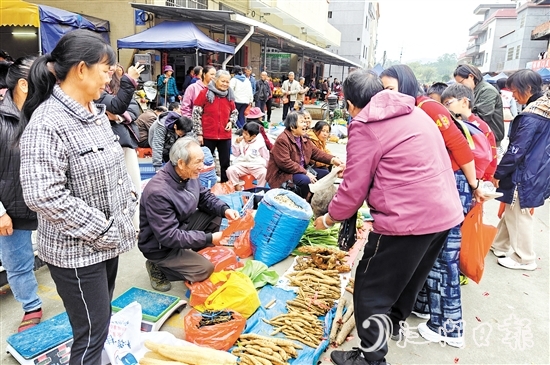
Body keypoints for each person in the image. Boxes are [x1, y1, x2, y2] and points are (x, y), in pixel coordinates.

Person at [314, 70, 463, 365]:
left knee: (370, 289)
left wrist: (329, 219)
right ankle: (390, 325)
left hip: (407, 218)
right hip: (444, 211)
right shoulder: (415, 112)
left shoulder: (365, 124)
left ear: (351, 104)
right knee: (409, 279)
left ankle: (372, 358)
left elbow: (353, 190)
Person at [18, 30, 137, 365]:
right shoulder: (47, 123)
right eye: (106, 70)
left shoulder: (95, 113)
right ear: (81, 69)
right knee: (92, 333)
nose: (110, 79)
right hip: (76, 254)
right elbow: (43, 195)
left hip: (107, 243)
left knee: (97, 326)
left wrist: (126, 202)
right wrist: (103, 228)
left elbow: (114, 169)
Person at [380, 64, 481, 348]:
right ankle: (423, 305)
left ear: (407, 84)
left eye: (390, 89)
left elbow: (460, 147)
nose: (385, 95)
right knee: (428, 254)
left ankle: (449, 327)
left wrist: (473, 186)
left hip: (453, 183)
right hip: (438, 185)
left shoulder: (429, 109)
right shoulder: (409, 110)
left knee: (444, 259)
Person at [138, 138, 240, 291]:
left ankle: (194, 254)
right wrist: (209, 238)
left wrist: (225, 210)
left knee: (215, 213)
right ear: (180, 163)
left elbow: (205, 197)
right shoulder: (158, 192)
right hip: (161, 247)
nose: (202, 167)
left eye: (203, 161)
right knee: (205, 269)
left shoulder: (188, 176)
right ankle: (158, 266)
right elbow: (168, 236)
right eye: (197, 162)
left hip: (181, 226)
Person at [0, 56, 43, 333]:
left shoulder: (43, 114)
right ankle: (31, 305)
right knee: (17, 261)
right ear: (25, 85)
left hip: (45, 203)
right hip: (11, 207)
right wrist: (0, 212)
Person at [491, 70, 550, 271]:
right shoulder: (545, 109)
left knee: (519, 212)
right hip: (539, 169)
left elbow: (516, 150)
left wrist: (498, 173)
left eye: (515, 91)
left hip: (526, 172)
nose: (513, 96)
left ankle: (525, 258)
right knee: (513, 209)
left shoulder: (532, 116)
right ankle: (499, 245)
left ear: (527, 89)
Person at [96, 62, 144, 230]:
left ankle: (134, 225)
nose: (111, 71)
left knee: (133, 184)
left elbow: (132, 110)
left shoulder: (123, 89)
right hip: (105, 143)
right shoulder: (97, 91)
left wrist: (117, 117)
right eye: (107, 68)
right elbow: (113, 106)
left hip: (124, 142)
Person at [266, 111, 343, 200]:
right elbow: (285, 163)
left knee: (325, 174)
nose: (305, 124)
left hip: (300, 169)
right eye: (302, 122)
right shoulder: (283, 140)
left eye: (305, 122)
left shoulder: (303, 137)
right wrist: (306, 173)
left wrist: (333, 159)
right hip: (283, 173)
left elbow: (316, 153)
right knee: (305, 180)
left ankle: (313, 200)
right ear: (292, 127)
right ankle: (302, 202)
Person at [441, 83, 498, 181]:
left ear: (464, 102)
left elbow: (491, 156)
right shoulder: (450, 124)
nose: (445, 108)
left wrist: (485, 180)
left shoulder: (480, 126)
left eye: (447, 103)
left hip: (476, 179)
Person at [193, 70, 238, 182]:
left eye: (227, 82)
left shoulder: (229, 95)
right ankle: (203, 185)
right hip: (207, 135)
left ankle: (225, 185)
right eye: (223, 81)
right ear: (215, 80)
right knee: (204, 162)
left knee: (225, 163)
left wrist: (231, 121)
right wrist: (199, 133)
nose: (225, 84)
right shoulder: (205, 93)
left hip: (224, 135)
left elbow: (234, 112)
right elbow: (196, 113)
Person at [454, 64, 505, 147]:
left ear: (471, 76)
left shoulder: (487, 90)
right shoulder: (473, 91)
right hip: (480, 136)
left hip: (490, 138)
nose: (461, 86)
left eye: (461, 82)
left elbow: (482, 116)